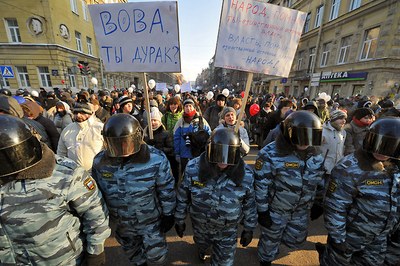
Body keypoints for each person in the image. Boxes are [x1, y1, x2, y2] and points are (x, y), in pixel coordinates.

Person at [0, 114, 110, 265]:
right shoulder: (68, 131)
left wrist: (96, 253)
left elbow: (95, 213)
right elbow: (61, 148)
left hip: (62, 260)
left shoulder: (66, 174)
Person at [92, 114, 176, 265]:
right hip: (122, 223)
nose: (122, 149)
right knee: (135, 257)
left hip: (150, 221)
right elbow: (96, 194)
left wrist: (169, 213)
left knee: (157, 258)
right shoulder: (100, 162)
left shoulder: (156, 159)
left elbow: (166, 189)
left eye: (126, 143)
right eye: (116, 144)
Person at [320, 117, 400, 265]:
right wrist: (338, 239)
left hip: (379, 239)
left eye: (389, 146)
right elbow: (335, 206)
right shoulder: (350, 167)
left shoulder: (394, 168)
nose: (382, 152)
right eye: (379, 144)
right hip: (349, 237)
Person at [175, 127, 257, 265]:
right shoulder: (193, 168)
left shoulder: (246, 175)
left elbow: (250, 204)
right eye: (219, 154)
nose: (223, 161)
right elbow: (183, 195)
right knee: (202, 245)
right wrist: (179, 219)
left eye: (228, 154)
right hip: (201, 227)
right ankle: (203, 249)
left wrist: (249, 228)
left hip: (227, 230)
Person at [254, 111, 325, 266]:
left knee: (296, 240)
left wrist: (319, 202)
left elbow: (319, 180)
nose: (305, 143)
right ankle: (265, 259)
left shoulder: (316, 155)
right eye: (301, 136)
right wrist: (262, 211)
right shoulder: (269, 153)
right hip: (276, 210)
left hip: (301, 210)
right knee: (270, 243)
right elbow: (261, 185)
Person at [57, 102, 104, 172]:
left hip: (97, 173)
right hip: (74, 175)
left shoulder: (99, 128)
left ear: (89, 114)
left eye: (82, 113)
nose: (78, 115)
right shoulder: (67, 130)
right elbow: (61, 154)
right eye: (76, 113)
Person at [173, 98, 211, 176]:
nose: (188, 108)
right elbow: (176, 138)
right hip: (184, 154)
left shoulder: (201, 120)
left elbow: (209, 135)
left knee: (198, 173)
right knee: (185, 174)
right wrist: (177, 153)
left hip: (199, 153)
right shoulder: (180, 122)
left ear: (194, 107)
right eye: (186, 106)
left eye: (190, 106)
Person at [319, 109, 347, 175]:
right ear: (333, 119)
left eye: (345, 119)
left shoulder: (343, 132)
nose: (344, 121)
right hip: (324, 170)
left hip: (338, 169)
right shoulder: (322, 132)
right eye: (340, 118)